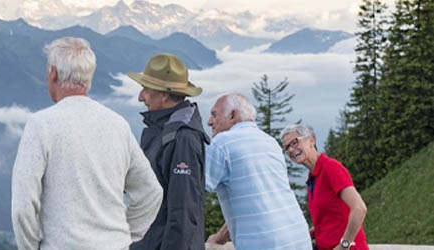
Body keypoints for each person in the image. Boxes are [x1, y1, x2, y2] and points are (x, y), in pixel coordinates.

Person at [11, 37, 163, 250]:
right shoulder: (117, 124)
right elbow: (151, 192)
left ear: (52, 73)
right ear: (88, 78)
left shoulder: (40, 125)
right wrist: (126, 236)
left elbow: (22, 208)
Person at [204, 93, 311, 250]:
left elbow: (193, 191)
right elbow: (259, 201)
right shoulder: (270, 142)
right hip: (299, 239)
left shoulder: (222, 142)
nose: (209, 122)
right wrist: (221, 236)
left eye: (214, 115)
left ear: (233, 115)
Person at [126, 53, 210, 250]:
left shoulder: (182, 139)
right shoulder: (163, 130)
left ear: (163, 94)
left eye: (145, 89)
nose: (140, 97)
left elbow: (183, 212)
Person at [280, 124, 369, 250]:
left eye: (295, 142)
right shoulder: (312, 177)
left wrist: (345, 244)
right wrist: (302, 236)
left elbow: (359, 208)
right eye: (286, 147)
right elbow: (325, 223)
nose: (291, 150)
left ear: (311, 140)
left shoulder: (331, 168)